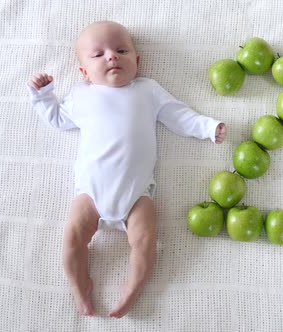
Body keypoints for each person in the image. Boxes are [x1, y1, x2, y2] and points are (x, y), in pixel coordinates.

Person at [27, 21, 227, 317]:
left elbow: (178, 115)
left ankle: (133, 287)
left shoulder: (147, 90)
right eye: (98, 55)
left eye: (121, 50)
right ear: (83, 72)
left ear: (137, 61)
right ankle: (80, 287)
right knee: (72, 239)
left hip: (136, 196)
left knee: (145, 242)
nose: (111, 56)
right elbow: (57, 118)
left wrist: (209, 127)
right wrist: (43, 96)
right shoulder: (82, 95)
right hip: (90, 195)